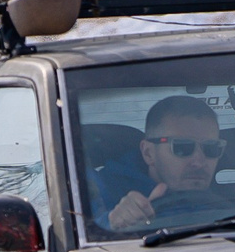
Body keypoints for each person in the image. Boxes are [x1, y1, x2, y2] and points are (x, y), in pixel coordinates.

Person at [95, 95, 225, 231]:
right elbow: (85, 228)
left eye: (212, 148)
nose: (199, 162)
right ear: (148, 153)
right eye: (182, 147)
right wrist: (112, 222)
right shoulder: (100, 190)